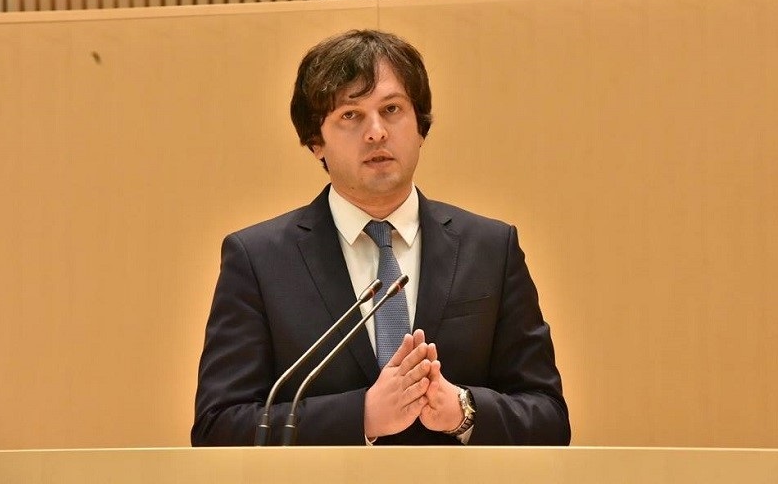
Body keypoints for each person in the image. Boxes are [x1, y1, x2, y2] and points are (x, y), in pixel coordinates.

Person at [191, 29, 570, 446]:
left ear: (420, 127)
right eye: (350, 115)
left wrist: (464, 411)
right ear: (316, 142)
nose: (376, 132)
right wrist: (362, 416)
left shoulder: (491, 249)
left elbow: (549, 418)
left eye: (392, 109)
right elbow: (218, 427)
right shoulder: (259, 260)